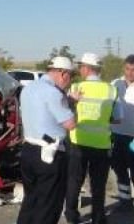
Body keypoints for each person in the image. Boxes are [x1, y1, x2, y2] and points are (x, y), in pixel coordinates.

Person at [17, 56, 77, 224]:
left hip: (28, 151)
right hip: (49, 155)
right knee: (48, 206)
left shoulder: (28, 88)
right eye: (70, 76)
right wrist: (72, 104)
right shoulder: (54, 93)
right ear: (63, 74)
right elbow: (70, 124)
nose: (69, 81)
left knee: (31, 201)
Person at [64, 53, 119, 224]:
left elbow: (65, 113)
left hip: (78, 142)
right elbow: (118, 118)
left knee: (74, 181)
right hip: (101, 145)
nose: (80, 69)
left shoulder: (75, 88)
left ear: (87, 68)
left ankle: (72, 216)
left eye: (81, 66)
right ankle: (98, 217)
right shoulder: (111, 89)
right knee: (98, 184)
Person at [111, 54, 134, 212]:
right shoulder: (114, 84)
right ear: (123, 68)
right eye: (128, 69)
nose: (130, 72)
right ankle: (125, 202)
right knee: (119, 169)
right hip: (117, 136)